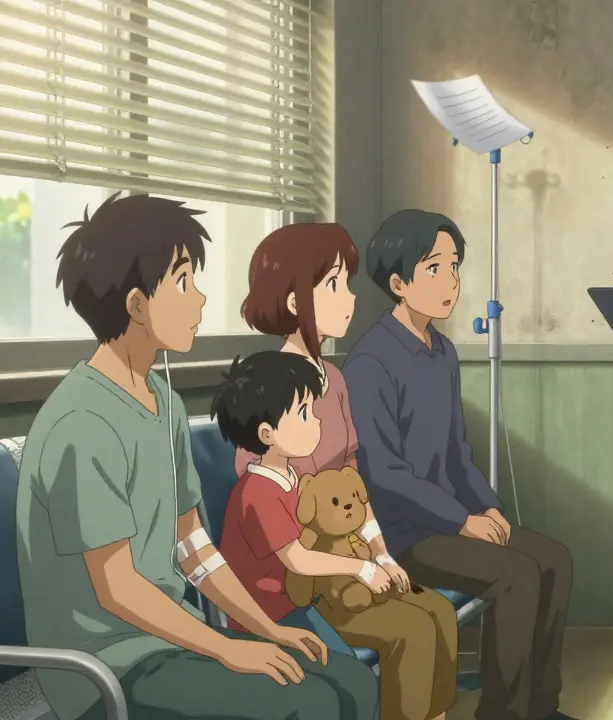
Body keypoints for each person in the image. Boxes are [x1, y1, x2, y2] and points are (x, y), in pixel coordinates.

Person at [16, 194, 377, 720]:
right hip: (106, 668)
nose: (202, 298)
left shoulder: (164, 403)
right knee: (311, 704)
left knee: (351, 682)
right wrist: (227, 647)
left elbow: (192, 544)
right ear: (138, 305)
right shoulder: (82, 422)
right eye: (184, 282)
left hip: (172, 641)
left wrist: (267, 629)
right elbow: (118, 589)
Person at [344, 209, 577, 720]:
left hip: (451, 520)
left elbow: (457, 452)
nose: (450, 280)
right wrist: (462, 521)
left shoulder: (443, 352)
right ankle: (503, 714)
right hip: (402, 534)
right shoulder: (370, 362)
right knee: (516, 573)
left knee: (554, 559)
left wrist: (487, 508)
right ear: (399, 283)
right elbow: (384, 474)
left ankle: (541, 708)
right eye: (434, 268)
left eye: (454, 266)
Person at [213, 351, 459, 720]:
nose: (317, 421)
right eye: (304, 413)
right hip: (284, 610)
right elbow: (297, 558)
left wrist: (380, 558)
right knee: (411, 629)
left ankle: (436, 714)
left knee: (438, 610)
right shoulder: (256, 493)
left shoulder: (296, 477)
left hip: (321, 590)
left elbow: (339, 520)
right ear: (267, 434)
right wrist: (362, 569)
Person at [235, 223, 411, 595]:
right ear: (295, 303)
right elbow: (264, 500)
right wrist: (357, 564)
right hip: (295, 573)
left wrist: (381, 552)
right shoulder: (266, 389)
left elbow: (351, 479)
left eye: (347, 283)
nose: (350, 297)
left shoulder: (336, 379)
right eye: (334, 284)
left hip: (347, 549)